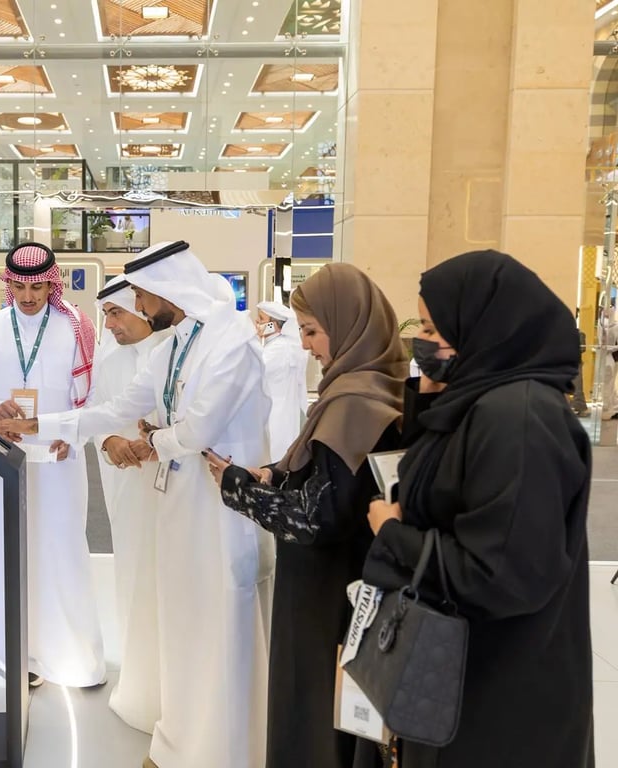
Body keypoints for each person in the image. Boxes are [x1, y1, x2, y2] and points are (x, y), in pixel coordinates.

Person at [0, 240, 273, 768]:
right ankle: (181, 741)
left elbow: (200, 428)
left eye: (142, 296)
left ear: (169, 288)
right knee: (182, 621)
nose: (139, 307)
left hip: (223, 507)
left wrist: (152, 442)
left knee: (218, 625)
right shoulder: (175, 344)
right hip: (179, 502)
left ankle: (222, 751)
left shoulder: (230, 340)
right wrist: (38, 425)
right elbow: (117, 407)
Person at [363, 250, 594, 767]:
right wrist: (430, 396)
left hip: (500, 698)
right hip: (461, 675)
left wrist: (394, 534)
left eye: (432, 328)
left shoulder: (519, 419)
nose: (423, 342)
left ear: (484, 327)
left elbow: (502, 574)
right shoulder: (480, 403)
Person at [206, 263, 405, 768]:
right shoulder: (374, 386)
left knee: (315, 716)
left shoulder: (353, 403)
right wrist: (274, 473)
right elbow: (334, 478)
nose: (305, 345)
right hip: (350, 585)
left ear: (348, 323)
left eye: (313, 331)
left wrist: (238, 488)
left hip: (327, 596)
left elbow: (316, 519)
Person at [0, 242, 106, 688]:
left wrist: (72, 434)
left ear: (51, 284)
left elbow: (95, 396)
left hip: (59, 460)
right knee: (7, 547)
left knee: (61, 546)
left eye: (37, 287)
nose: (28, 296)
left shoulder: (76, 328)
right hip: (4, 457)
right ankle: (15, 653)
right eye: (19, 287)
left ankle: (71, 653)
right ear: (8, 284)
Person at [90, 276, 170, 732]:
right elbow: (97, 414)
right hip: (126, 487)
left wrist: (156, 443)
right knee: (134, 576)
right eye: (107, 316)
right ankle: (140, 687)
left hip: (173, 488)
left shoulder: (173, 352)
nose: (111, 325)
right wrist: (110, 441)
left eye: (117, 313)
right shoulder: (108, 360)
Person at [256, 300, 310, 460]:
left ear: (273, 325)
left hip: (276, 415)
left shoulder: (278, 348)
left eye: (261, 319)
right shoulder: (277, 345)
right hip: (278, 412)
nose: (257, 322)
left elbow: (255, 374)